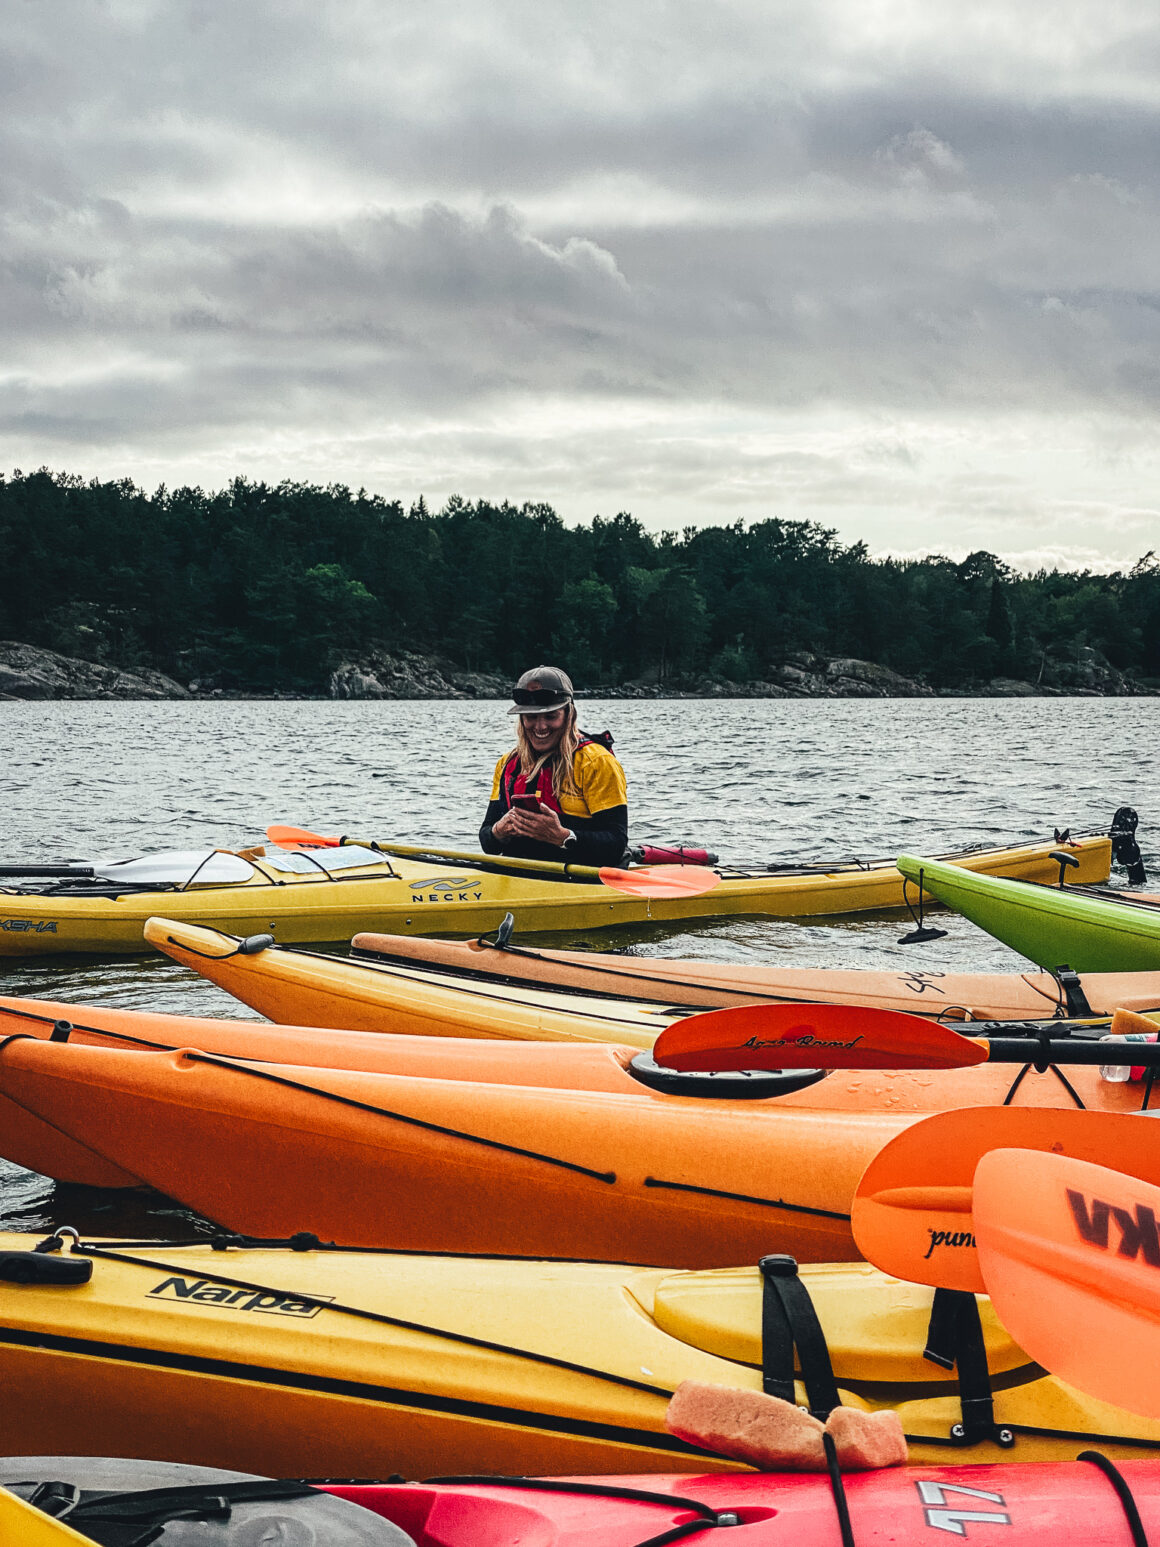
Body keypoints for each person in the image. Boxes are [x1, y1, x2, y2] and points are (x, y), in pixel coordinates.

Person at [480, 666, 628, 866]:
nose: (540, 727)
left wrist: (562, 836)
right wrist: (499, 831)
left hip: (577, 879)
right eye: (531, 717)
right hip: (520, 878)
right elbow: (488, 843)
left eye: (551, 716)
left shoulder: (597, 762)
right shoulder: (508, 764)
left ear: (568, 715)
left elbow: (616, 844)